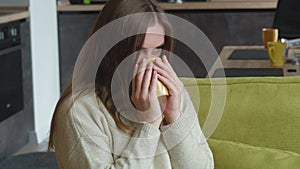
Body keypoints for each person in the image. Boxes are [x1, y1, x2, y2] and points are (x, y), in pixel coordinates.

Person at [48, 0, 214, 168]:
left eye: (157, 48)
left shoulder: (172, 94)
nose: (150, 63)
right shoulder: (79, 112)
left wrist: (174, 118)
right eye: (138, 50)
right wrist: (149, 125)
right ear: (111, 50)